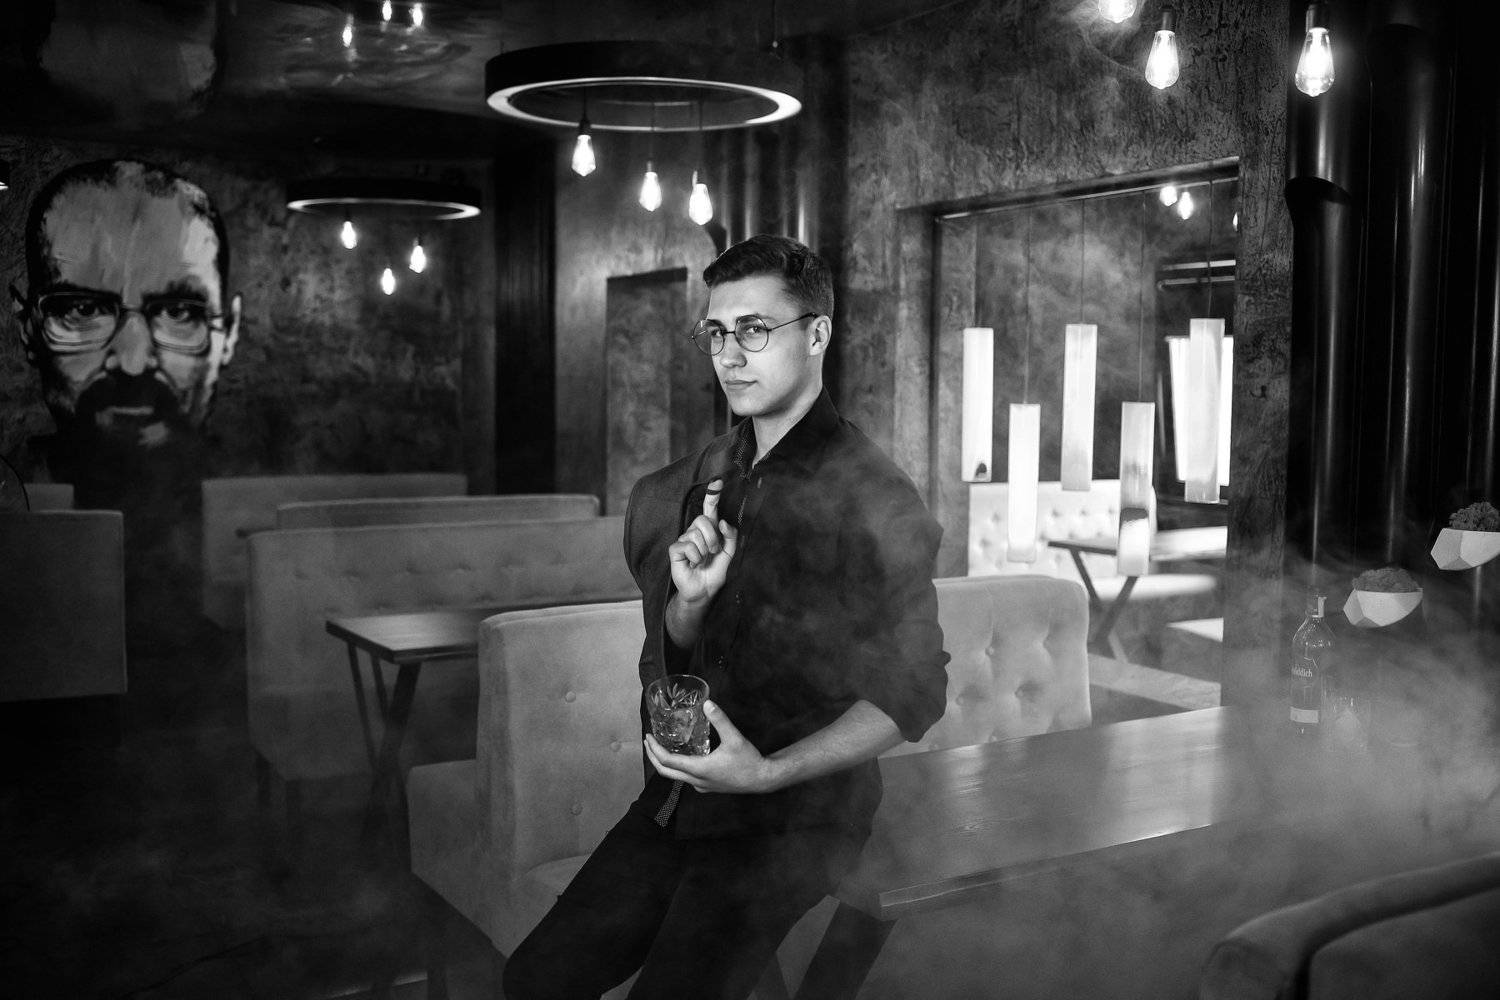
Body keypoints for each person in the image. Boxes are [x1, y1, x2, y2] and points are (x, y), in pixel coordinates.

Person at [503, 235, 950, 999]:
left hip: (795, 822)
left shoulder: (876, 496)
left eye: (754, 329)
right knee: (535, 980)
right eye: (716, 332)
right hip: (677, 800)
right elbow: (679, 651)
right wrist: (689, 604)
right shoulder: (705, 478)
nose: (730, 355)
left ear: (817, 333)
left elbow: (916, 690)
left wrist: (767, 772)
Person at [10, 158, 241, 495]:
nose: (133, 363)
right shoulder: (12, 499)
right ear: (27, 327)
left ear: (229, 333)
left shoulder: (256, 496)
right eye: (84, 310)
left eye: (178, 313)